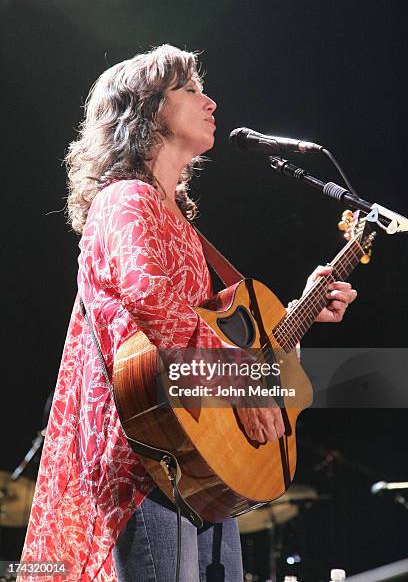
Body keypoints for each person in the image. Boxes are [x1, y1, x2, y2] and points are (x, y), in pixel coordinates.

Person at [20, 44, 357, 581]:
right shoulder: (125, 198)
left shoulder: (180, 220)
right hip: (147, 459)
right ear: (147, 108)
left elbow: (206, 332)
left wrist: (298, 314)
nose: (211, 101)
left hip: (202, 455)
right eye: (191, 90)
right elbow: (149, 295)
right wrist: (241, 382)